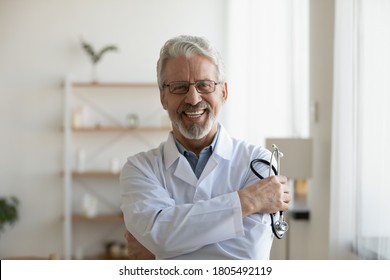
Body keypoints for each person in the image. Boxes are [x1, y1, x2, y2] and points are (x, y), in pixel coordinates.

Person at [120, 35, 291, 260]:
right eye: (179, 87)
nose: (192, 98)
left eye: (204, 85)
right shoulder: (140, 168)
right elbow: (159, 237)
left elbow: (248, 256)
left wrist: (161, 250)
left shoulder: (259, 163)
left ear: (223, 92)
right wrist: (247, 201)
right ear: (163, 97)